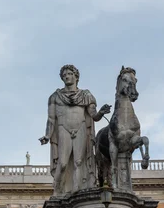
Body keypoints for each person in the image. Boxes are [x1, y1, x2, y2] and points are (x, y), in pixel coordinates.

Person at [39, 64, 111, 195]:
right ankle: (58, 191)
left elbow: (94, 115)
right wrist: (47, 135)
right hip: (63, 129)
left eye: (69, 74)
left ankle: (77, 192)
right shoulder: (55, 97)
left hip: (81, 128)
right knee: (63, 163)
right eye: (64, 75)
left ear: (76, 76)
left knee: (79, 162)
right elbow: (51, 119)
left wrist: (101, 112)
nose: (66, 76)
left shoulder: (86, 95)